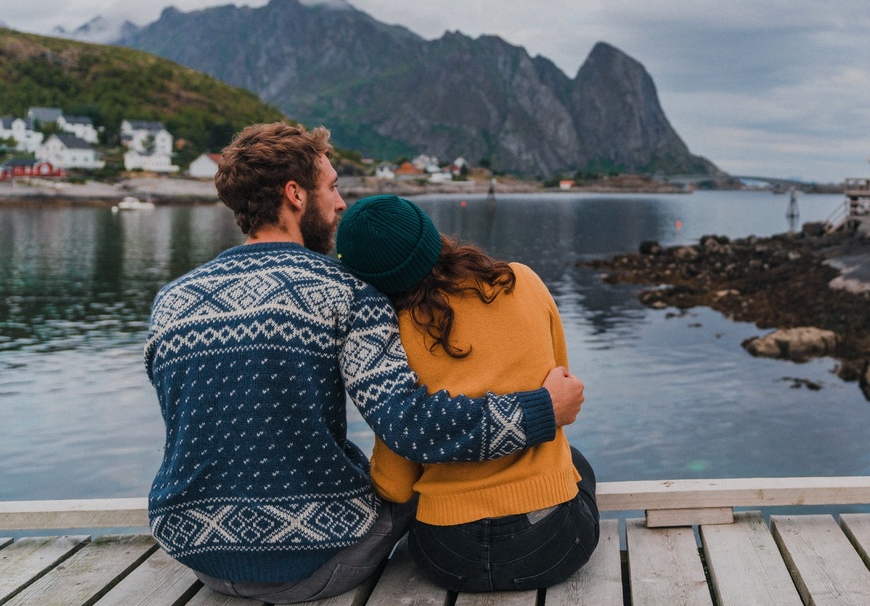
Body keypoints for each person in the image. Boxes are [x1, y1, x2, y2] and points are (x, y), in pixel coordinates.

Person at [143, 123, 584, 603]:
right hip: (314, 562)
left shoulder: (172, 300)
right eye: (332, 187)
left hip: (196, 551)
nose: (340, 204)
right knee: (417, 481)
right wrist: (540, 410)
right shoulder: (348, 293)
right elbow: (412, 428)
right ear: (295, 194)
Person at [335, 194, 600, 593]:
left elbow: (396, 485)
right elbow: (561, 386)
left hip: (447, 553)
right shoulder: (522, 280)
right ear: (429, 233)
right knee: (578, 463)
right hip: (554, 542)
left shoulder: (392, 339)